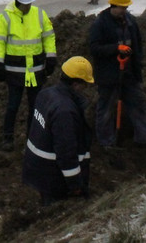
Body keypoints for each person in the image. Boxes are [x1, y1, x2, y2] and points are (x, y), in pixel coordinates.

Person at [88, 0, 146, 149]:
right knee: (106, 110)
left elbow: (138, 45)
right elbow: (94, 48)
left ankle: (143, 139)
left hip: (129, 75)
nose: (125, 11)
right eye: (123, 7)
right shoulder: (101, 24)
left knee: (139, 104)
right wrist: (116, 48)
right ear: (114, 6)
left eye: (126, 8)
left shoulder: (131, 22)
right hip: (109, 75)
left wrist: (137, 67)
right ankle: (107, 143)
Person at [0, 0, 57, 151]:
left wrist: (51, 57)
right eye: (25, 3)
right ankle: (8, 138)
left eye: (29, 3)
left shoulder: (39, 15)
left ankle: (32, 138)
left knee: (35, 107)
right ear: (16, 1)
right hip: (14, 72)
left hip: (36, 71)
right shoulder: (5, 18)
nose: (28, 6)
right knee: (13, 105)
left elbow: (49, 38)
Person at [22, 56, 94, 205]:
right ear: (76, 84)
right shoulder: (64, 112)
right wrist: (76, 185)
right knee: (55, 209)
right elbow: (66, 151)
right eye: (85, 85)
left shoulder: (46, 94)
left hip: (36, 168)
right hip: (52, 176)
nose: (85, 89)